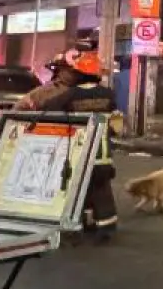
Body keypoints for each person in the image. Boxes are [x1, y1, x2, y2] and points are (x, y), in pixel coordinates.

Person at [16, 42, 119, 243]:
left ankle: (75, 226)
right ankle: (102, 226)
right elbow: (115, 122)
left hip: (75, 152)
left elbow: (45, 109)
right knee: (100, 190)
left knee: (74, 189)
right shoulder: (108, 94)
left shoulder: (67, 94)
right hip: (102, 154)